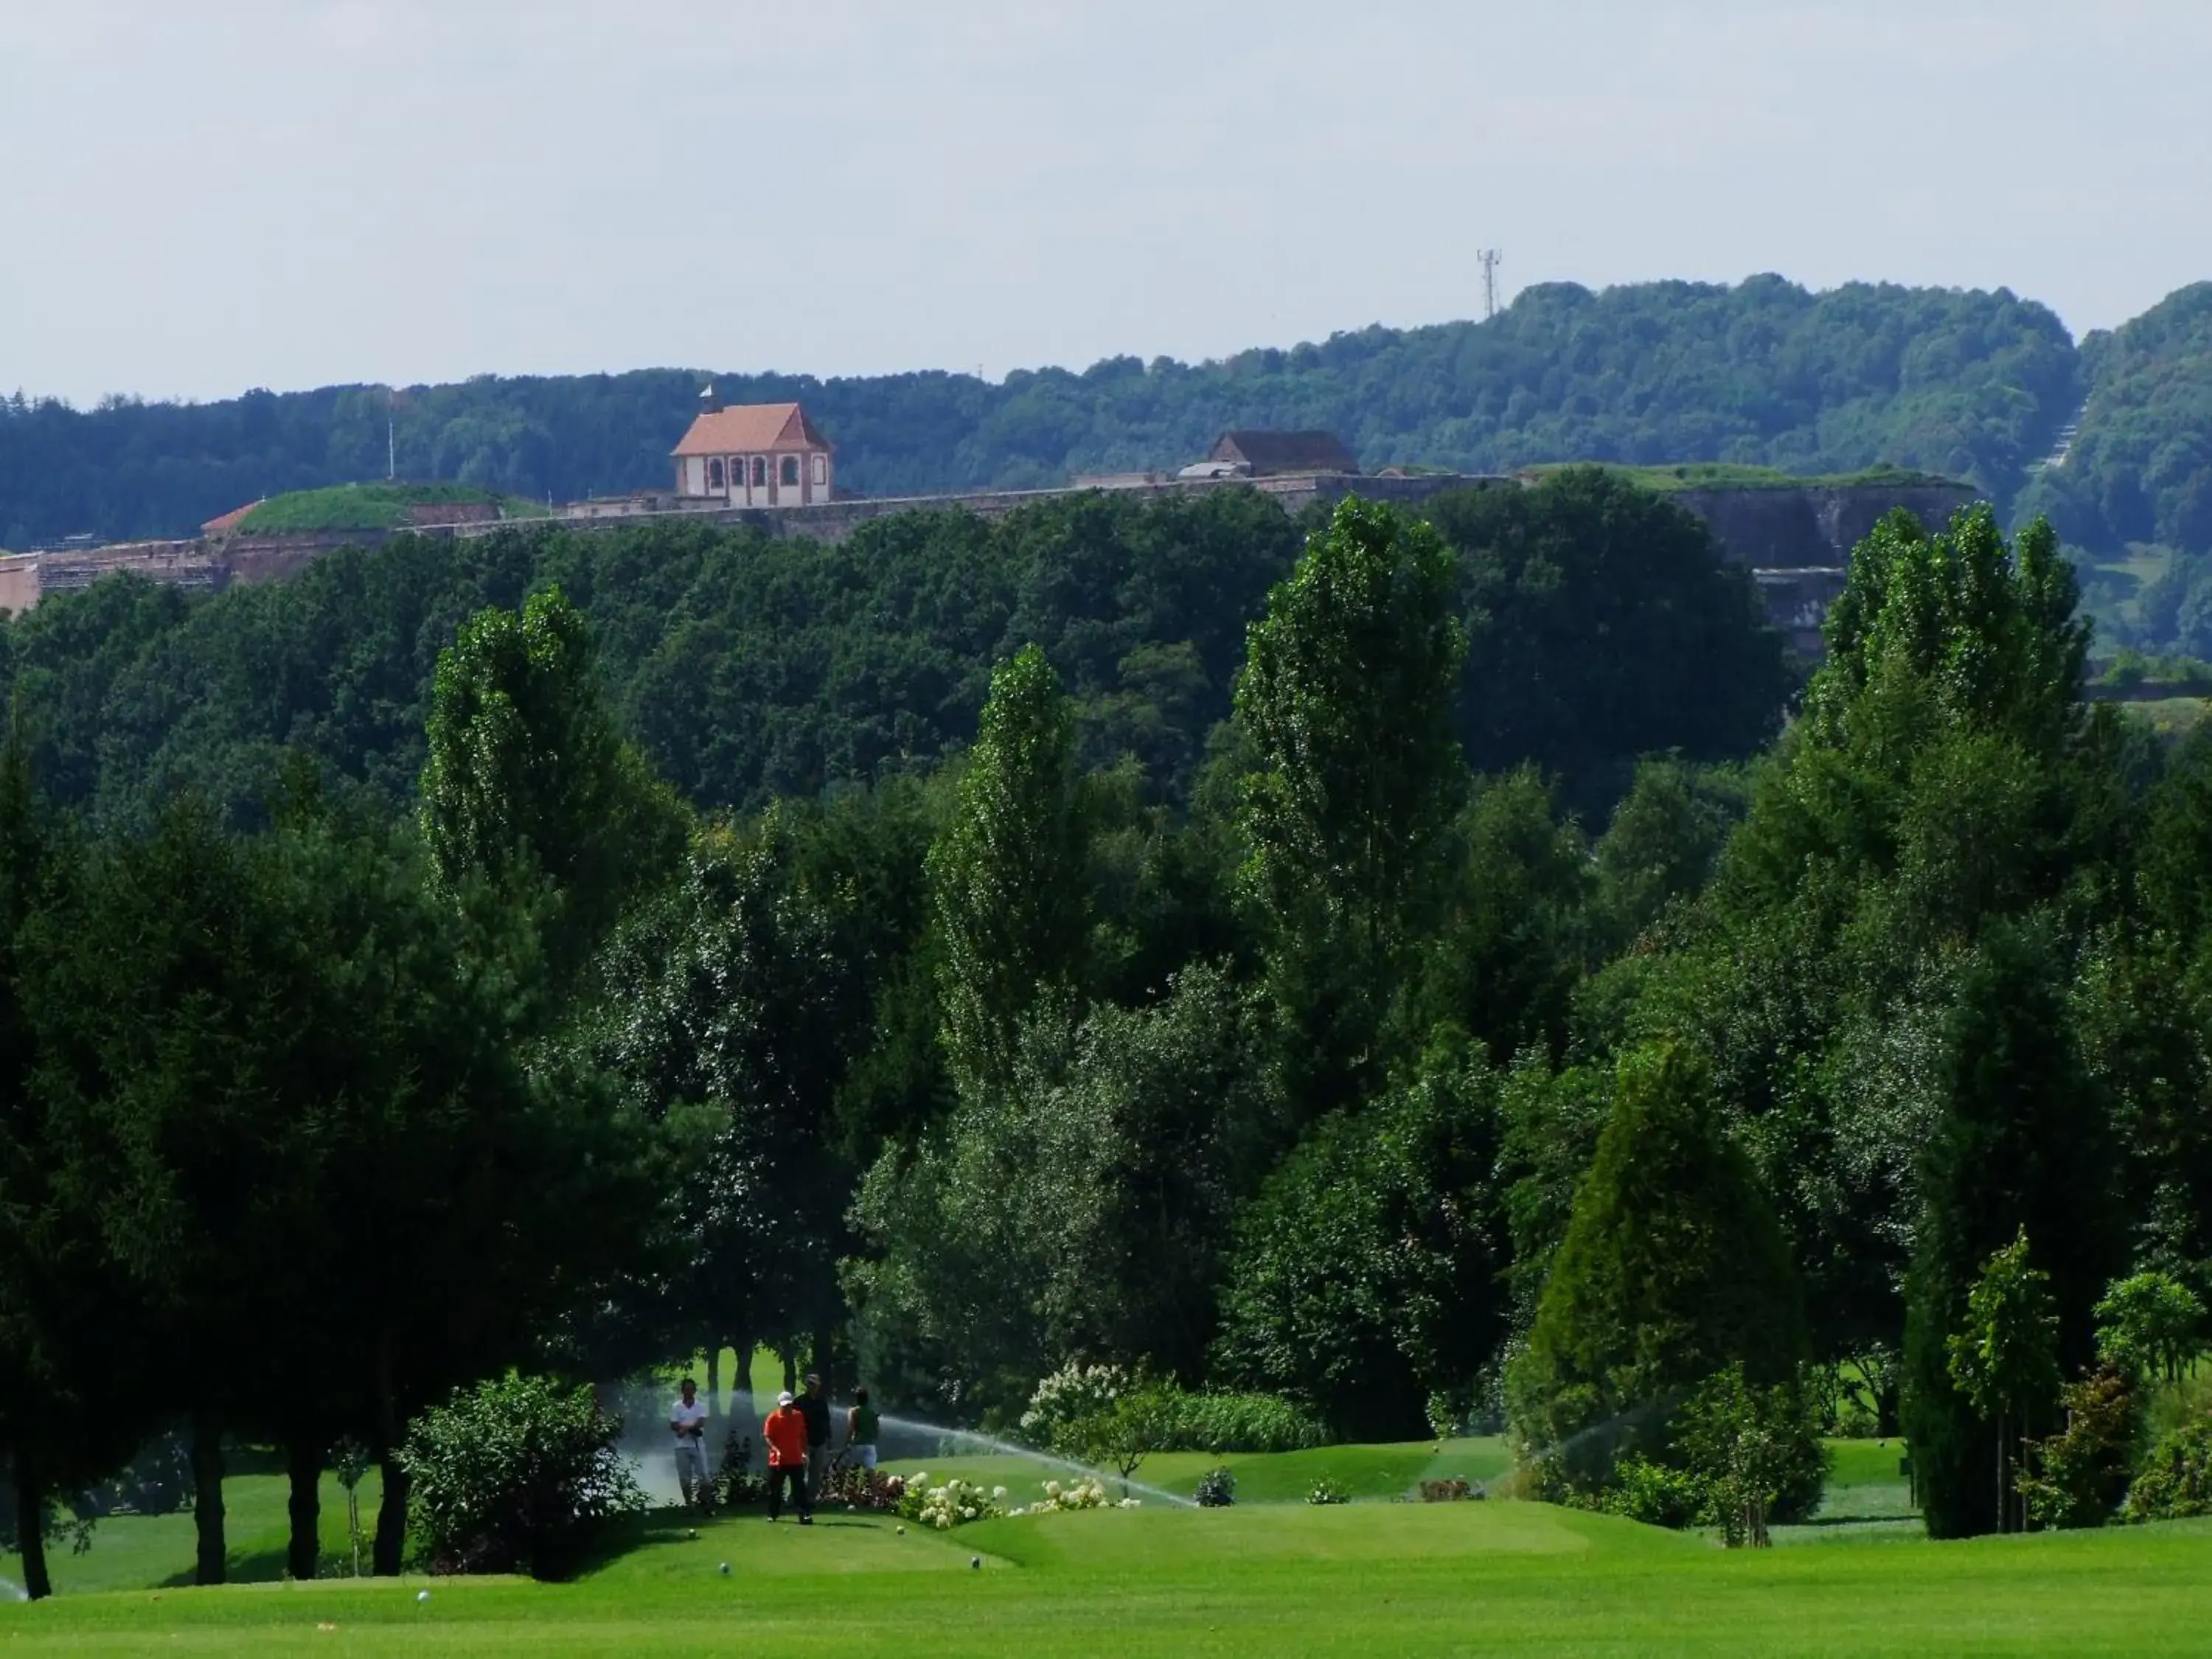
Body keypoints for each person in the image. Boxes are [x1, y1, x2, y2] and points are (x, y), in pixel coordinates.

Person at [763, 1388, 812, 1523]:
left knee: (799, 1489)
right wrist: (775, 1450)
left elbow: (803, 1436)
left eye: (789, 1405)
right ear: (779, 1405)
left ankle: (804, 1514)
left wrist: (804, 1452)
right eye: (785, 1406)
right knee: (775, 1490)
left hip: (795, 1458)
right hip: (777, 1461)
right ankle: (773, 1514)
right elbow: (768, 1437)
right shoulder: (773, 1417)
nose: (788, 1408)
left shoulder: (798, 1416)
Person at [670, 1377, 709, 1509]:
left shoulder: (700, 1406)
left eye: (691, 1389)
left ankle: (704, 1503)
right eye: (686, 1389)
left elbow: (701, 1422)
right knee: (685, 1478)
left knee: (703, 1475)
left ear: (695, 1390)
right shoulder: (676, 1406)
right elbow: (674, 1424)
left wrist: (685, 1429)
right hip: (681, 1446)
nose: (689, 1392)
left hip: (697, 1445)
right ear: (682, 1391)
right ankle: (689, 1504)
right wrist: (687, 1428)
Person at [799, 1372, 834, 1503]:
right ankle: (798, 1496)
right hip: (804, 1442)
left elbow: (827, 1421)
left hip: (820, 1442)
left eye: (814, 1384)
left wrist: (829, 1439)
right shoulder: (800, 1401)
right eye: (810, 1384)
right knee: (800, 1472)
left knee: (815, 1473)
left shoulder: (822, 1402)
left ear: (818, 1386)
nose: (812, 1387)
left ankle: (810, 1499)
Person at [846, 1386, 880, 1472]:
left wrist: (847, 1443)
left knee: (853, 1474)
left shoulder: (853, 1411)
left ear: (856, 1399)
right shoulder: (872, 1413)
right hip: (870, 1446)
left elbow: (851, 1429)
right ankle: (874, 1486)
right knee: (870, 1474)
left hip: (857, 1446)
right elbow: (877, 1431)